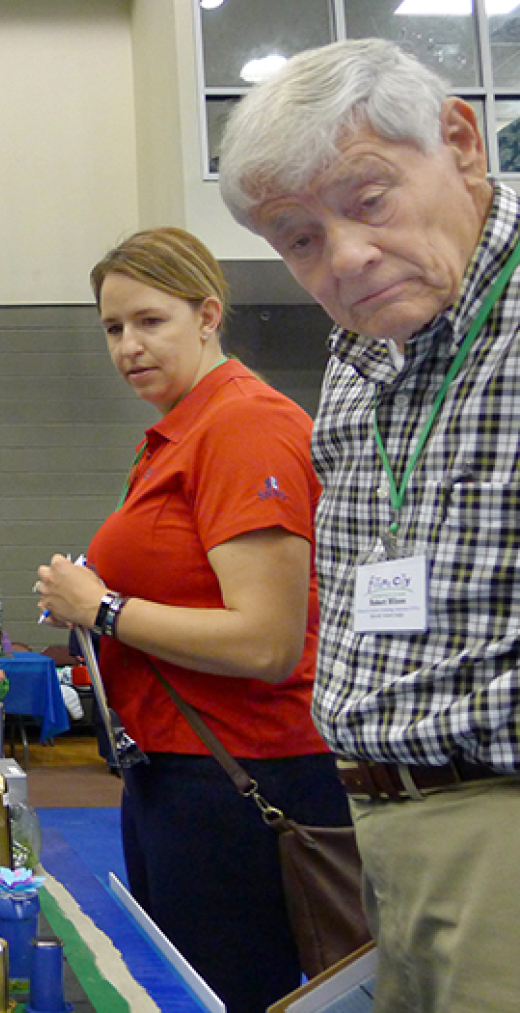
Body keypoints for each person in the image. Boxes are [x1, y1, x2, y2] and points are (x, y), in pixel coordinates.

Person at [218, 38, 520, 1012]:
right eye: (299, 237)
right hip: (380, 820)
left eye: (369, 197)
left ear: (461, 142)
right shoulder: (358, 350)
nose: (343, 256)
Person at [35, 227, 350, 1013]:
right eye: (113, 328)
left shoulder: (243, 426)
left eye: (150, 321)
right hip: (180, 773)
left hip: (240, 776)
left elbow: (267, 641)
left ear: (207, 314)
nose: (129, 347)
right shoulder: (178, 432)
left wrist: (101, 608)